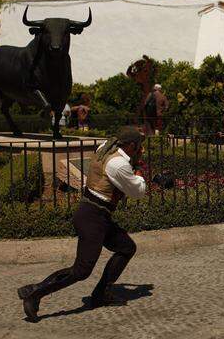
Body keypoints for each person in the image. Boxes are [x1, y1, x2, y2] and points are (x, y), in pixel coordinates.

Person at [17, 126, 147, 321]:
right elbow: (138, 191)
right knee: (81, 271)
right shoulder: (119, 164)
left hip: (95, 213)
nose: (140, 150)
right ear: (129, 145)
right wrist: (137, 169)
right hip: (93, 218)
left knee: (127, 247)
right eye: (138, 147)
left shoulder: (105, 147)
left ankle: (100, 294)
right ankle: (35, 293)